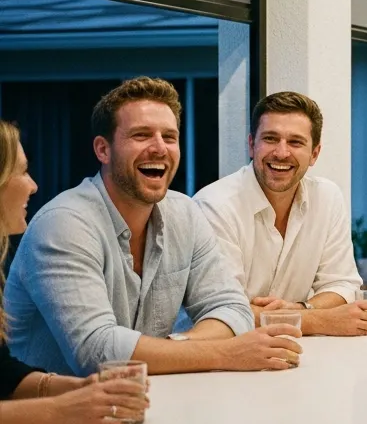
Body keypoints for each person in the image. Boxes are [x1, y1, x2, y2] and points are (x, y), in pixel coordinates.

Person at [4, 78, 301, 376]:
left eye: (170, 137)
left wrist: (174, 349)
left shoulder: (185, 213)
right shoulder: (64, 224)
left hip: (143, 401)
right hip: (53, 416)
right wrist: (224, 352)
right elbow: (98, 351)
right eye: (141, 135)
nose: (159, 148)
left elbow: (232, 310)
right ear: (103, 150)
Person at [0, 120, 149, 424]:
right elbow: (97, 345)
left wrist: (76, 388)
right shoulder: (61, 223)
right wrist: (58, 411)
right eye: (22, 171)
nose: (33, 185)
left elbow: (1, 371)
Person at [194, 92, 367, 336]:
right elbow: (226, 311)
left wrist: (300, 308)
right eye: (271, 139)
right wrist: (316, 320)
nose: (281, 153)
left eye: (295, 142)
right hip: (215, 357)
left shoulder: (327, 197)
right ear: (252, 145)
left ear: (314, 153)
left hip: (294, 352)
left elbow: (342, 284)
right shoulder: (214, 206)